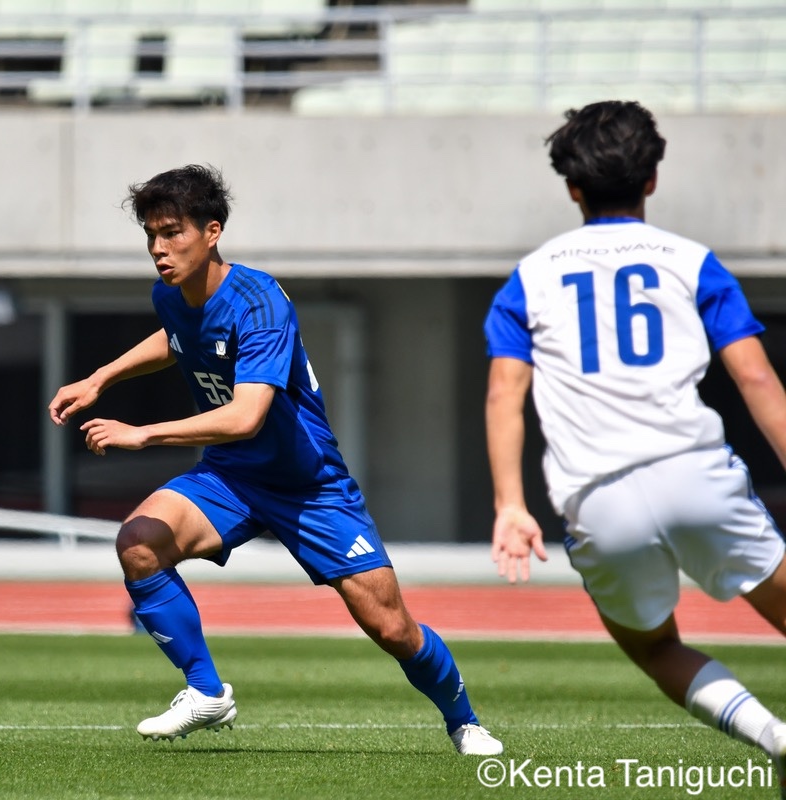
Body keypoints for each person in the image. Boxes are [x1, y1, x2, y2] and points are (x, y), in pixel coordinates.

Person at [49, 164, 503, 755]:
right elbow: (177, 336)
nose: (159, 248)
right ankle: (205, 691)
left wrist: (144, 435)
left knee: (391, 626)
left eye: (173, 232)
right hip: (232, 476)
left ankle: (464, 722)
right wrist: (100, 378)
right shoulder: (170, 294)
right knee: (139, 542)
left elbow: (246, 417)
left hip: (309, 486)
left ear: (212, 231)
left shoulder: (260, 301)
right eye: (151, 235)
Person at [484, 100, 786, 793]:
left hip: (598, 498)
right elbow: (755, 377)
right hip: (695, 475)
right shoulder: (692, 262)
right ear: (652, 179)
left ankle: (774, 736)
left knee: (657, 648)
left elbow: (505, 394)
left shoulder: (530, 277)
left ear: (573, 189)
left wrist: (510, 504)